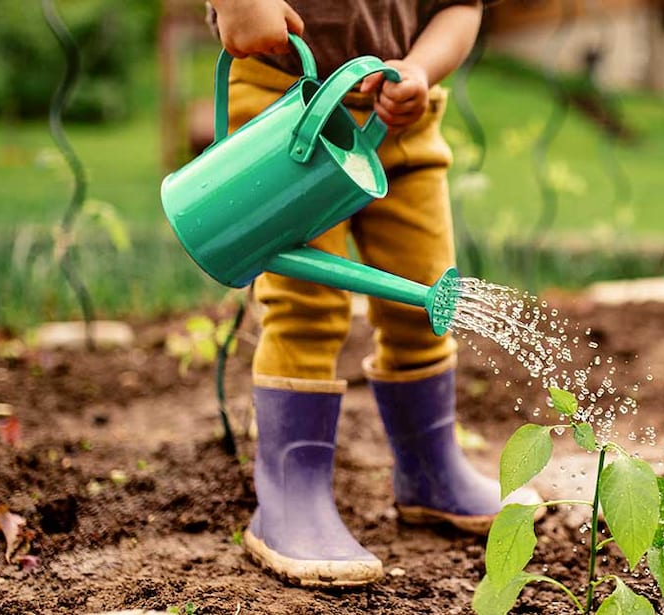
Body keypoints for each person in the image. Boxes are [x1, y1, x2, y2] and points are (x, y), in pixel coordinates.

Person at [206, 0, 541, 588]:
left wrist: (419, 68)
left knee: (425, 298)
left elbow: (461, 8)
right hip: (289, 101)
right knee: (307, 306)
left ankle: (431, 470)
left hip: (404, 117)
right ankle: (290, 495)